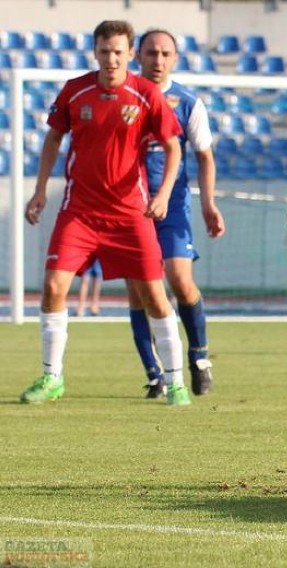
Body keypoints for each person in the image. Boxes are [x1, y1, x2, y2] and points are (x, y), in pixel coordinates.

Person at [20, 20, 192, 406]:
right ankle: (52, 378)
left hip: (131, 213)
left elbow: (173, 147)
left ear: (130, 54)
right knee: (52, 288)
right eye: (104, 51)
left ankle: (176, 381)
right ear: (95, 52)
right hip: (79, 211)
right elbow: (53, 137)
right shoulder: (74, 91)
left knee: (154, 294)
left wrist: (163, 194)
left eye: (118, 51)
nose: (111, 58)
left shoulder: (146, 94)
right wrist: (39, 192)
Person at [130, 28, 225, 399]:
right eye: (151, 52)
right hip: (130, 208)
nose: (158, 59)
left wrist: (208, 204)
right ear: (138, 55)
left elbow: (204, 155)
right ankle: (154, 373)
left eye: (165, 53)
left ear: (175, 59)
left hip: (173, 205)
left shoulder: (186, 102)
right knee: (139, 290)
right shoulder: (124, 98)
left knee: (179, 280)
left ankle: (199, 359)